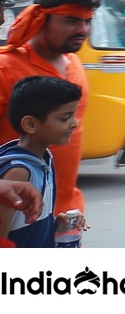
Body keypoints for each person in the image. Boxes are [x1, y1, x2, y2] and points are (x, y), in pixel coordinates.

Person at [0, 0, 100, 244]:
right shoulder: (5, 68)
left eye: (87, 21)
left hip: (64, 216)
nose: (82, 29)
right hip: (16, 222)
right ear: (41, 18)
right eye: (71, 20)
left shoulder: (75, 64)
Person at [0, 75, 80, 247]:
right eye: (65, 118)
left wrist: (54, 225)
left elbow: (28, 222)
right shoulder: (19, 171)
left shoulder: (43, 161)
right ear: (30, 124)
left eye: (74, 115)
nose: (75, 123)